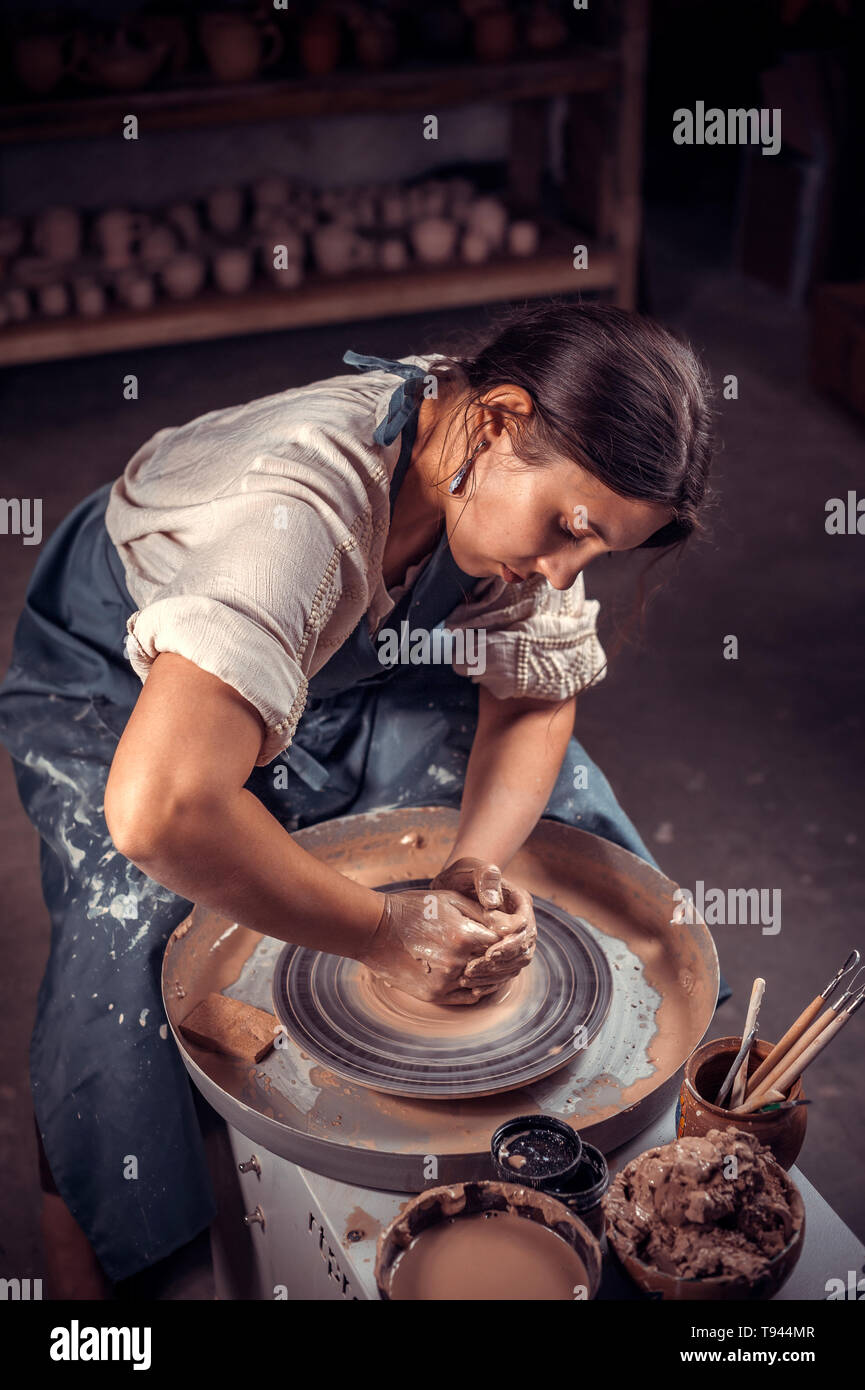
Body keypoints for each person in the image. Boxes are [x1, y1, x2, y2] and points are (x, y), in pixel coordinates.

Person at [0, 299, 722, 1297]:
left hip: (353, 655)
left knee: (558, 826)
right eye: (567, 528)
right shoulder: (298, 513)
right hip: (121, 682)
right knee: (131, 943)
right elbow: (159, 808)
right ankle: (90, 1258)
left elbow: (534, 699)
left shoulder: (495, 453)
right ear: (497, 419)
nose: (562, 567)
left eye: (594, 549)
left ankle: (575, 1159)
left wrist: (474, 863)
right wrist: (385, 934)